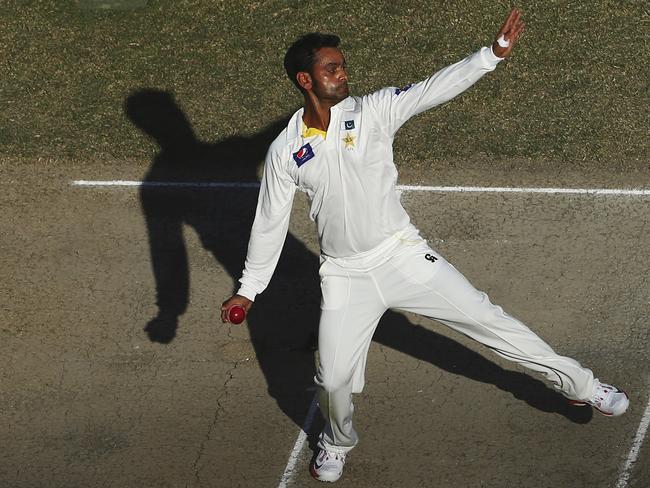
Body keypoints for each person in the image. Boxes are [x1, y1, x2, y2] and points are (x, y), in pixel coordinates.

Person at [221, 8, 629, 483]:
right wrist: (249, 290)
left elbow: (432, 88)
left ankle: (582, 384)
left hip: (403, 257)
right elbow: (269, 220)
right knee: (332, 381)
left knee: (490, 322)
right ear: (305, 80)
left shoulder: (373, 110)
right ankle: (336, 442)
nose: (343, 73)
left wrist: (490, 56)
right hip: (345, 276)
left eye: (342, 65)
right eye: (332, 68)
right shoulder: (286, 151)